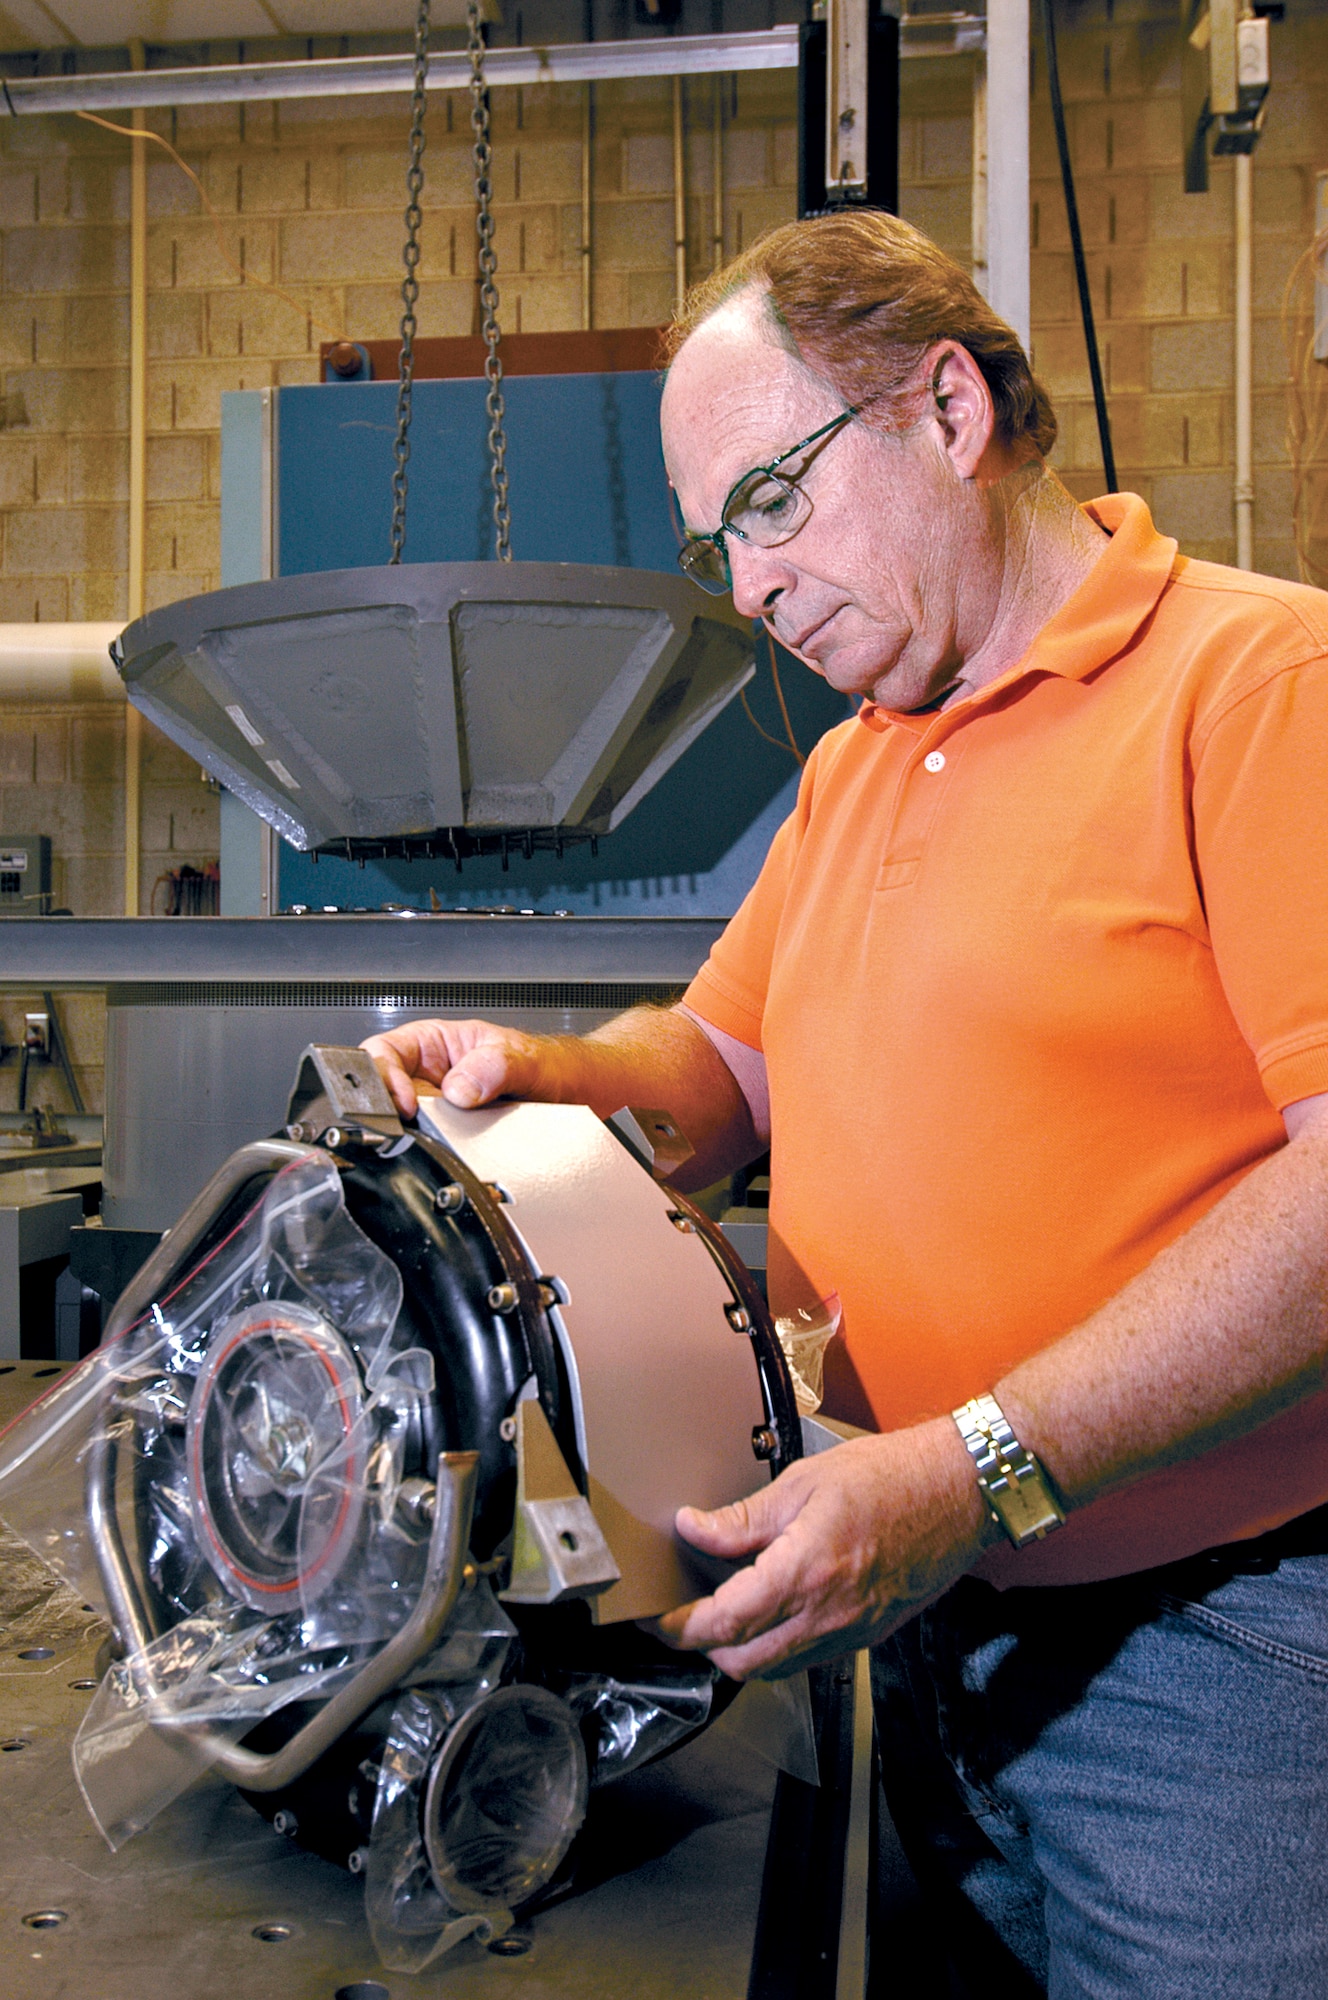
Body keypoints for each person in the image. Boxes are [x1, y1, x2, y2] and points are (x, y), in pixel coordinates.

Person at [365, 210, 1328, 1996]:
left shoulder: (1260, 689)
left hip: (1222, 1655)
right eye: (713, 539)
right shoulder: (858, 767)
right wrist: (545, 1075)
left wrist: (980, 1469)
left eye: (769, 505)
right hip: (918, 1612)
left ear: (946, 408)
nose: (747, 587)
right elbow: (722, 1076)